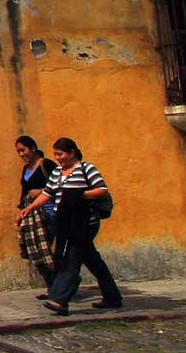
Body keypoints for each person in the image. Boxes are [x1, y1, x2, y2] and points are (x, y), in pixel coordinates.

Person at [15, 137, 121, 315]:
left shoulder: (86, 169)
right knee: (93, 261)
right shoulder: (57, 173)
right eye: (56, 154)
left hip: (84, 223)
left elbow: (102, 190)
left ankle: (60, 300)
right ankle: (112, 297)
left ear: (72, 152)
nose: (58, 158)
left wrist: (78, 195)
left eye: (61, 154)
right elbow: (48, 193)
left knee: (71, 259)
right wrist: (29, 208)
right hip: (64, 223)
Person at [14, 135, 58, 288]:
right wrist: (21, 211)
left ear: (33, 148)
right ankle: (52, 286)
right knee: (34, 250)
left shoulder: (46, 165)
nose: (21, 154)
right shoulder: (26, 169)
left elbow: (60, 185)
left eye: (23, 150)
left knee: (45, 249)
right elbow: (24, 191)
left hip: (48, 213)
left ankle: (59, 288)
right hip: (31, 215)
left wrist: (41, 191)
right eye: (18, 152)